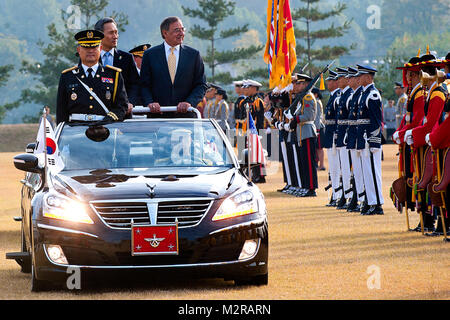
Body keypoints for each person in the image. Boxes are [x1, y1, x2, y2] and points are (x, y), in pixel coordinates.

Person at [404, 52, 447, 232]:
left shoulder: (437, 94)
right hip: (429, 141)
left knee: (437, 181)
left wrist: (417, 132)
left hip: (437, 143)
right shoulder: (431, 93)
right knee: (427, 180)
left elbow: (432, 122)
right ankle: (428, 220)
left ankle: (439, 222)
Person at [56, 29, 128, 125]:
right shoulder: (68, 76)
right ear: (78, 50)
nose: (90, 51)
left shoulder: (114, 75)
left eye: (94, 47)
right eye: (86, 48)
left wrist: (109, 119)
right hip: (75, 130)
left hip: (105, 129)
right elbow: (61, 111)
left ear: (101, 48)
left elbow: (122, 106)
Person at [140, 16, 207, 118]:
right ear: (165, 33)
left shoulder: (193, 55)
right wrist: (150, 102)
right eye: (177, 30)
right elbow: (144, 85)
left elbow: (201, 85)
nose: (181, 33)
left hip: (185, 118)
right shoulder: (150, 55)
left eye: (182, 29)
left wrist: (189, 102)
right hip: (158, 117)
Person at [95, 18, 140, 115]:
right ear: (100, 35)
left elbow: (135, 85)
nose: (115, 36)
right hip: (98, 113)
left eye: (116, 32)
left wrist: (130, 102)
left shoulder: (126, 58)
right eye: (111, 33)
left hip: (123, 113)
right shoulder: (91, 59)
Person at [355, 64, 384, 215]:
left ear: (368, 77)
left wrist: (374, 141)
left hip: (370, 139)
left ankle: (377, 203)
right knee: (367, 172)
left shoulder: (372, 94)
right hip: (363, 138)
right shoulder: (364, 93)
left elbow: (376, 120)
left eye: (360, 76)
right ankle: (371, 201)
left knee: (373, 171)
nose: (358, 79)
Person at [286, 73, 318, 197]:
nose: (297, 85)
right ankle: (305, 186)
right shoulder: (302, 98)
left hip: (307, 131)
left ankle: (311, 188)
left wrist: (294, 118)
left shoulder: (308, 97)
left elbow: (309, 116)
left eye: (299, 83)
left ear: (305, 84)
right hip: (301, 133)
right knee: (303, 162)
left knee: (309, 163)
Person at [346, 66, 365, 213]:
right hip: (353, 136)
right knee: (355, 170)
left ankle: (362, 198)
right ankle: (357, 196)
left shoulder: (361, 94)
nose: (348, 80)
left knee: (361, 170)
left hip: (360, 137)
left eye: (351, 77)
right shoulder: (355, 95)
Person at [335, 67, 354, 209]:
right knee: (344, 168)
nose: (338, 81)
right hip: (342, 135)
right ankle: (345, 194)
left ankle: (349, 195)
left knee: (349, 168)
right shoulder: (343, 95)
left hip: (348, 136)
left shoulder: (349, 95)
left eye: (341, 78)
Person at [322, 70, 341, 206]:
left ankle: (338, 194)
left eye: (330, 81)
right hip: (330, 135)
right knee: (333, 168)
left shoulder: (337, 97)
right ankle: (335, 193)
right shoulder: (333, 97)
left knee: (337, 168)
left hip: (335, 135)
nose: (328, 83)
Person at [128, 44, 151, 109]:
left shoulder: (152, 73)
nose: (146, 60)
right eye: (143, 58)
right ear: (134, 58)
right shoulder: (129, 73)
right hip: (132, 109)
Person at [312, 87, 325, 170]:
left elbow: (316, 118)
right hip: (318, 126)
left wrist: (315, 129)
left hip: (318, 127)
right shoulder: (317, 101)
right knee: (317, 148)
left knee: (319, 148)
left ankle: (322, 165)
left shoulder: (316, 102)